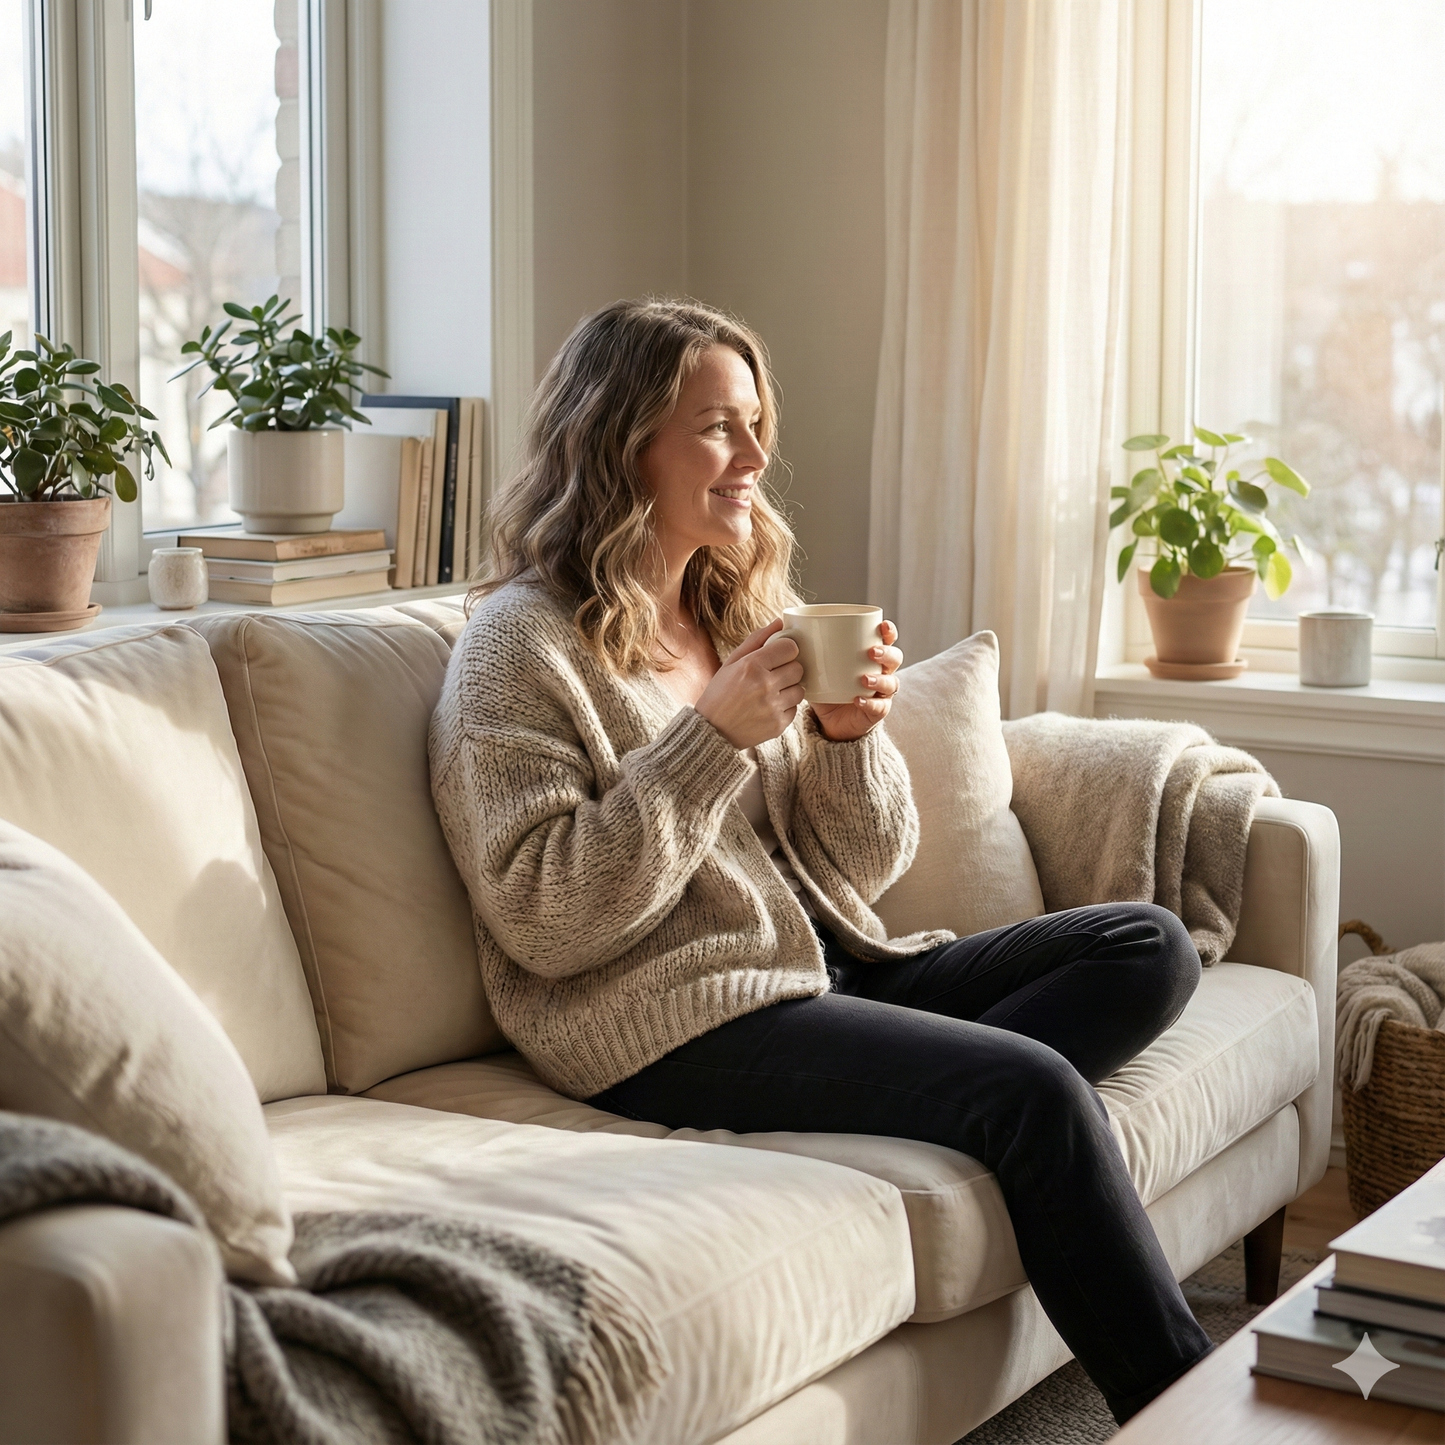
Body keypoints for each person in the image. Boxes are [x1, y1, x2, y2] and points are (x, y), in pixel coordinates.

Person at [430, 297, 1214, 1424]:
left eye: (753, 423)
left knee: (1146, 944)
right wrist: (709, 738)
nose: (753, 456)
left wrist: (849, 742)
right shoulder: (520, 644)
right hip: (664, 1018)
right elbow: (546, 916)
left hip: (828, 964)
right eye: (715, 427)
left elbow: (868, 862)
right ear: (619, 442)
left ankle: (924, 1094)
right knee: (1034, 1089)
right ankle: (1190, 1411)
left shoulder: (739, 603)